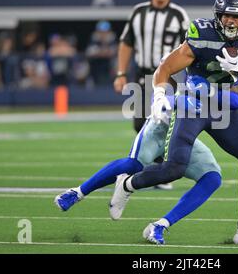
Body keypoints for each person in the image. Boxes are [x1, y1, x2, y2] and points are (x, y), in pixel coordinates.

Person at [110, 0, 238, 245]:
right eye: (225, 16)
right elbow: (165, 67)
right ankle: (128, 185)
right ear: (217, 15)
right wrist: (157, 97)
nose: (230, 21)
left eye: (236, 17)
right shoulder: (202, 32)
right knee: (175, 167)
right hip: (194, 102)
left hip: (224, 105)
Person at [54, 83, 223, 245]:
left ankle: (160, 225)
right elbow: (160, 78)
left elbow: (235, 99)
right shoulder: (183, 58)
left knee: (212, 177)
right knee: (133, 164)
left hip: (184, 136)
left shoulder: (227, 64)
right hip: (161, 128)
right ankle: (78, 193)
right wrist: (167, 100)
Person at [114, 0, 189, 190]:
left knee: (162, 122)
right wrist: (121, 73)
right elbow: (126, 42)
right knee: (139, 123)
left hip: (168, 77)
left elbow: (189, 48)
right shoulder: (138, 13)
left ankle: (160, 171)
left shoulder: (178, 15)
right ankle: (155, 168)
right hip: (141, 74)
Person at [85, 21, 117, 86]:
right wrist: (101, 52)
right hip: (95, 67)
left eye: (105, 32)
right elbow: (89, 52)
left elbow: (114, 52)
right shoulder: (94, 40)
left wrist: (104, 50)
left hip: (109, 66)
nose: (103, 34)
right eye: (101, 32)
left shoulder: (112, 40)